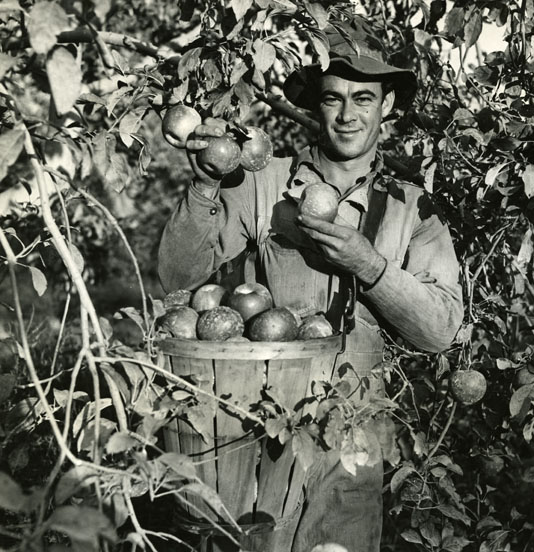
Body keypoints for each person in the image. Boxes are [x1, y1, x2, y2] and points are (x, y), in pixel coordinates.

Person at [158, 21, 463, 552]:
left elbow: (440, 330)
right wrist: (206, 183)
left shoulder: (413, 207)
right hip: (262, 426)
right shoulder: (264, 182)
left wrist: (370, 266)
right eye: (332, 98)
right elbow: (177, 278)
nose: (347, 115)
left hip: (354, 439)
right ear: (316, 105)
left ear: (387, 105)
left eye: (363, 98)